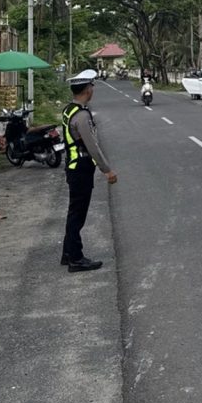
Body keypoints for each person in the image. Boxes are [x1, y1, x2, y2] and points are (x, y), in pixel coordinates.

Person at [60, 69, 117, 272]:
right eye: (91, 86)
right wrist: (107, 170)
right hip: (81, 168)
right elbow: (92, 145)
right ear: (86, 90)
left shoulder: (69, 110)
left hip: (73, 166)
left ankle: (68, 253)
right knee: (78, 214)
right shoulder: (82, 116)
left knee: (74, 212)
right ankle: (76, 258)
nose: (93, 89)